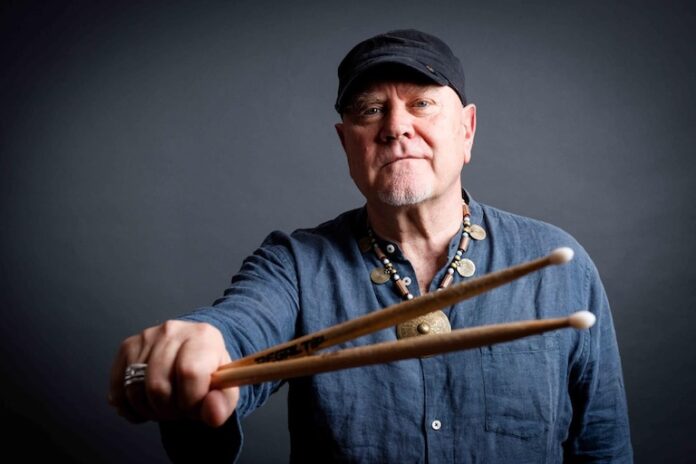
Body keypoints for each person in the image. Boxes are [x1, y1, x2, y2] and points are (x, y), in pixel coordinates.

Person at [109, 29, 633, 463]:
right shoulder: (296, 267)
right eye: (370, 110)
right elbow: (240, 328)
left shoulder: (559, 265)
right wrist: (197, 352)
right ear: (347, 143)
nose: (396, 127)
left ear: (467, 131)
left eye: (421, 104)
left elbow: (603, 450)